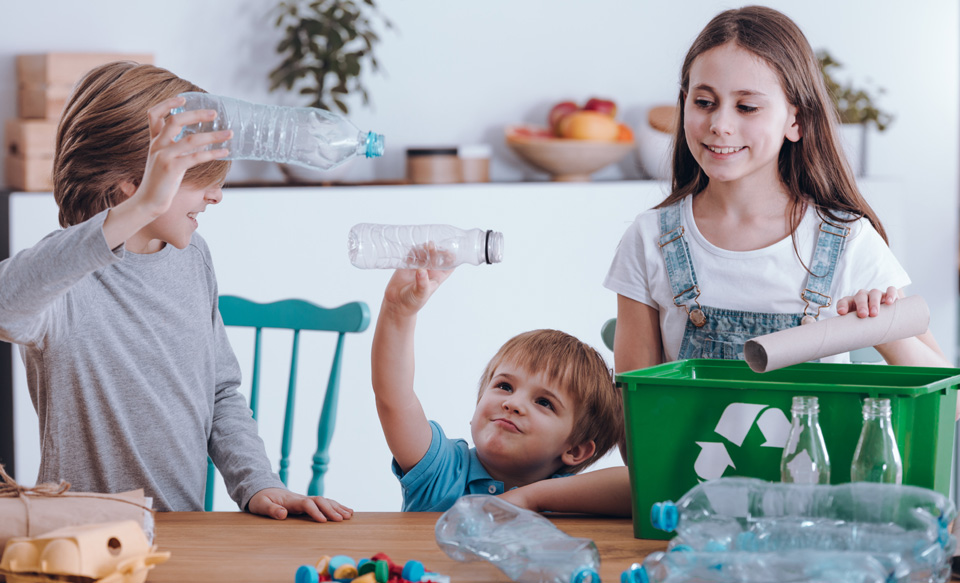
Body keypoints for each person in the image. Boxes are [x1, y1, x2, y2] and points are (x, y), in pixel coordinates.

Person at [0, 62, 351, 521]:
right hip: (80, 542)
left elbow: (220, 392)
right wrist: (144, 204)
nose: (216, 196)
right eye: (197, 178)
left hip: (181, 535)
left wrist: (258, 482)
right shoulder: (66, 278)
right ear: (134, 184)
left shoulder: (193, 258)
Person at [605, 6, 949, 374]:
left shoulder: (849, 242)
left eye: (747, 107)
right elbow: (634, 407)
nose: (720, 124)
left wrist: (882, 327)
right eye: (704, 102)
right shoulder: (650, 239)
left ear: (795, 120)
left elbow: (953, 402)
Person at [371, 268, 629, 514]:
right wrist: (398, 312)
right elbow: (395, 399)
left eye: (544, 402)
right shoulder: (441, 471)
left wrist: (532, 498)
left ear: (574, 450)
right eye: (504, 386)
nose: (513, 403)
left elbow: (642, 488)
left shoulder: (569, 499)